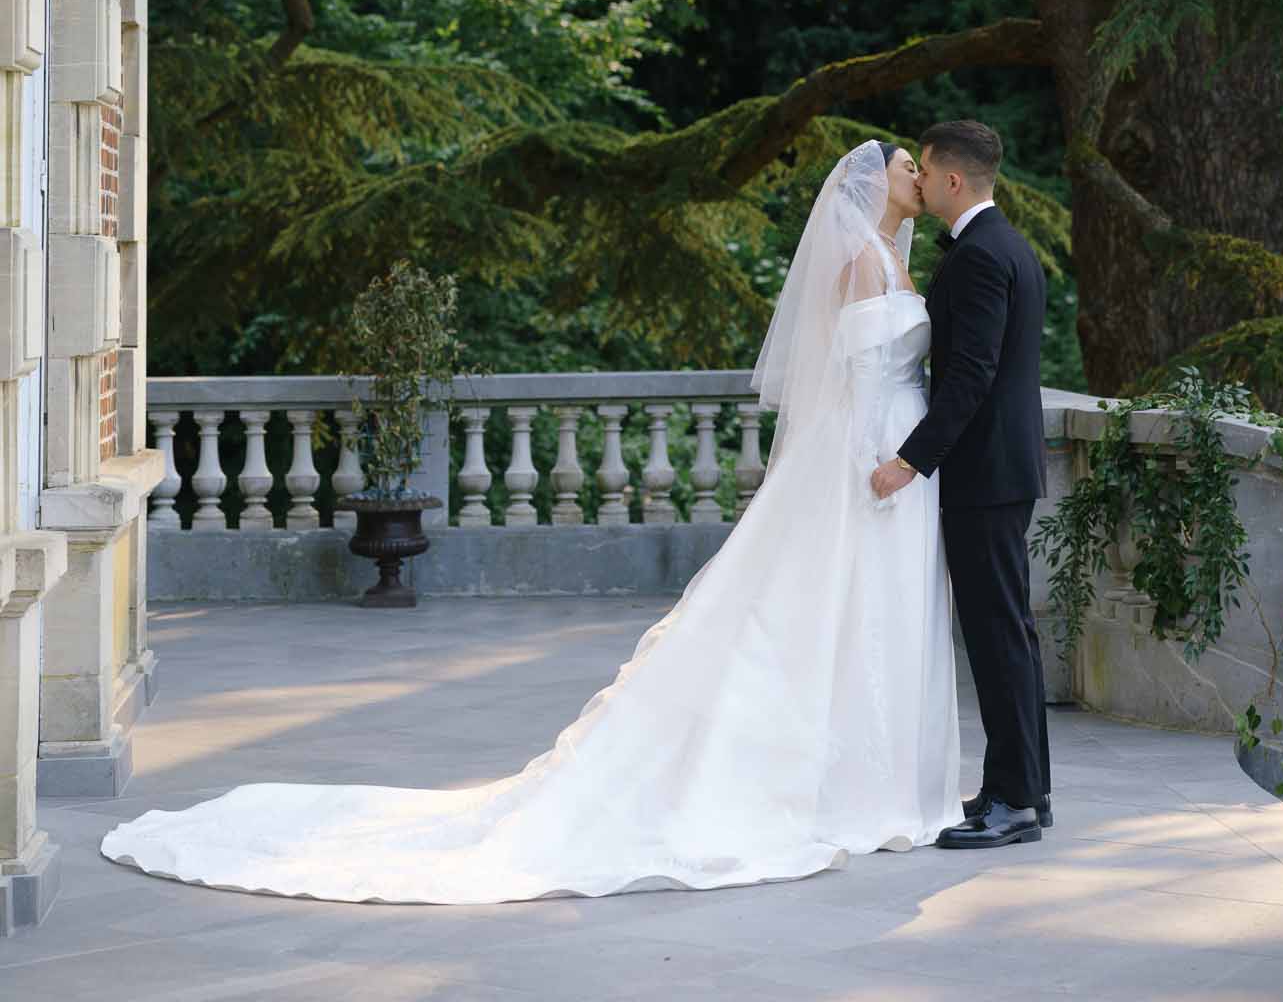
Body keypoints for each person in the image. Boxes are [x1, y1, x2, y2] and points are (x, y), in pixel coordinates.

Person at [100, 140, 961, 904]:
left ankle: (870, 775)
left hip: (891, 451)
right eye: (903, 166)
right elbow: (843, 371)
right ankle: (830, 783)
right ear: (869, 185)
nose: (915, 175)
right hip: (863, 453)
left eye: (920, 168)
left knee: (857, 616)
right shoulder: (860, 262)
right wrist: (874, 451)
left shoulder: (897, 254)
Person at [870, 118, 1051, 850]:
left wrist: (910, 460)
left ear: (950, 180)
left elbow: (970, 375)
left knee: (998, 635)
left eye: (924, 171)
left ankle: (1015, 802)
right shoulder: (1006, 244)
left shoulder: (978, 256)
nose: (916, 181)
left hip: (983, 474)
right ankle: (1024, 787)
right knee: (1009, 632)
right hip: (1002, 470)